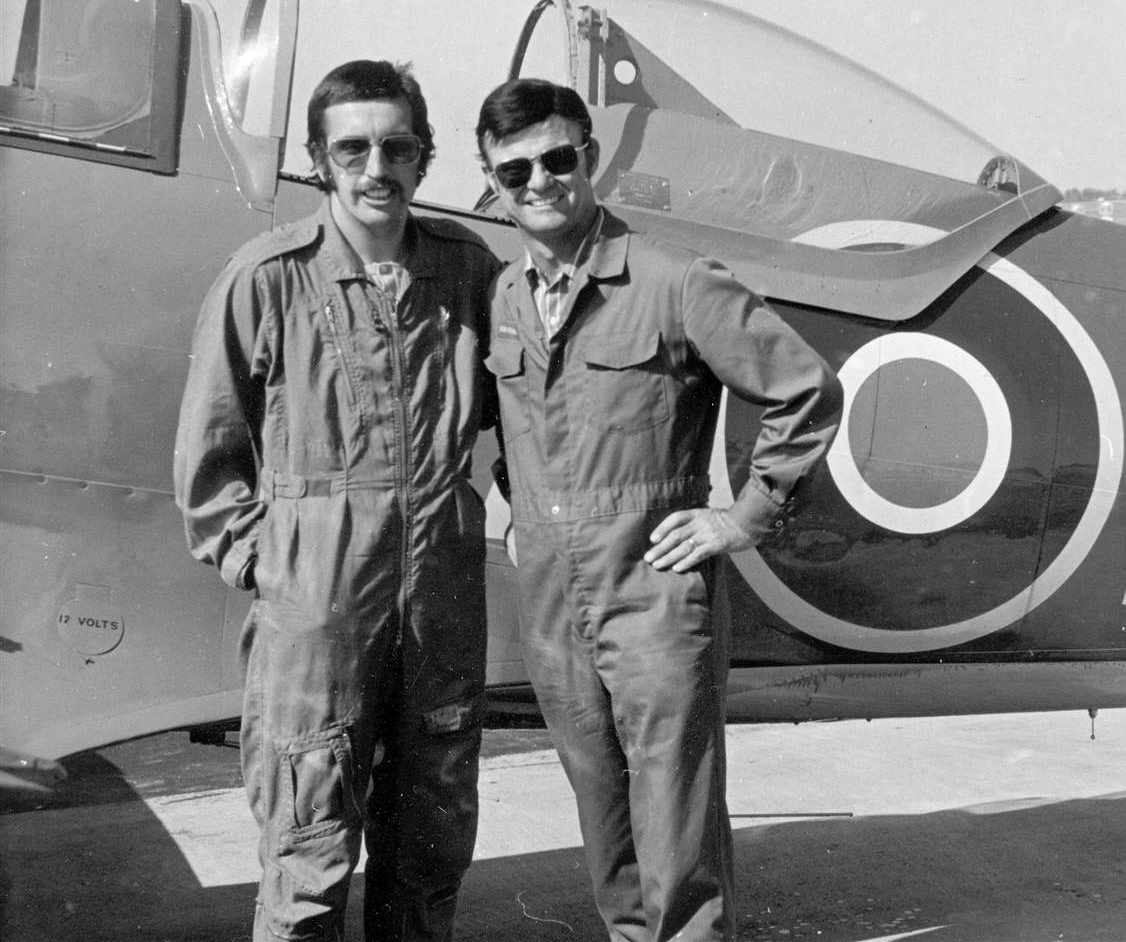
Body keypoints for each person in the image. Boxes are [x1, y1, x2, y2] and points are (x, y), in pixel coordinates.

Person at [477, 78, 842, 940]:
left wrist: (743, 518)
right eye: (514, 169)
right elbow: (509, 427)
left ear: (590, 160)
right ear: (492, 181)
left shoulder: (675, 280)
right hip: (552, 600)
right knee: (603, 821)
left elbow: (804, 390)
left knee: (676, 831)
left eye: (558, 159)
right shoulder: (505, 298)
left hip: (652, 590)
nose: (539, 182)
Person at [173, 60, 501, 941]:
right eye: (351, 148)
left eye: (397, 147)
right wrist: (273, 569)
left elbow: (533, 423)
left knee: (428, 862)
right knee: (308, 859)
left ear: (425, 157)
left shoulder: (469, 272)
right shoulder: (267, 277)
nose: (375, 168)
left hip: (440, 608)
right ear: (318, 159)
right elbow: (209, 464)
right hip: (315, 617)